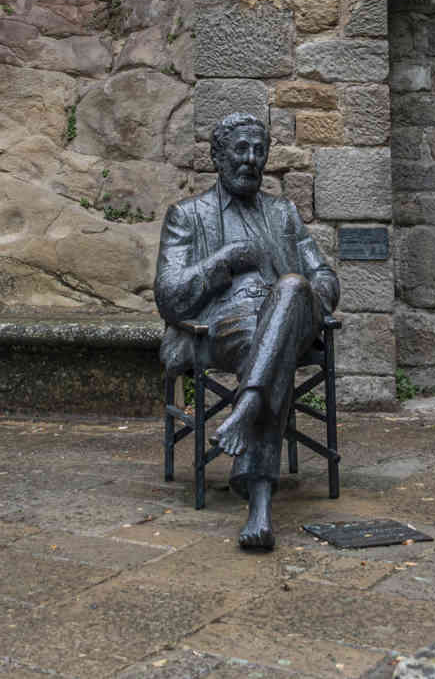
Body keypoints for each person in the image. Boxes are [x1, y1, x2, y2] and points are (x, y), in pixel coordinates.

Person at [155, 112, 339, 550]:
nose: (251, 159)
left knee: (293, 286)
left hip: (290, 316)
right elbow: (169, 294)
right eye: (241, 149)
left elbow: (326, 279)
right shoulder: (187, 215)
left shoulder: (284, 213)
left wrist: (301, 297)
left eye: (259, 150)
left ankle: (246, 418)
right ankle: (256, 481)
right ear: (218, 156)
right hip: (222, 323)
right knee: (268, 345)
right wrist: (225, 260)